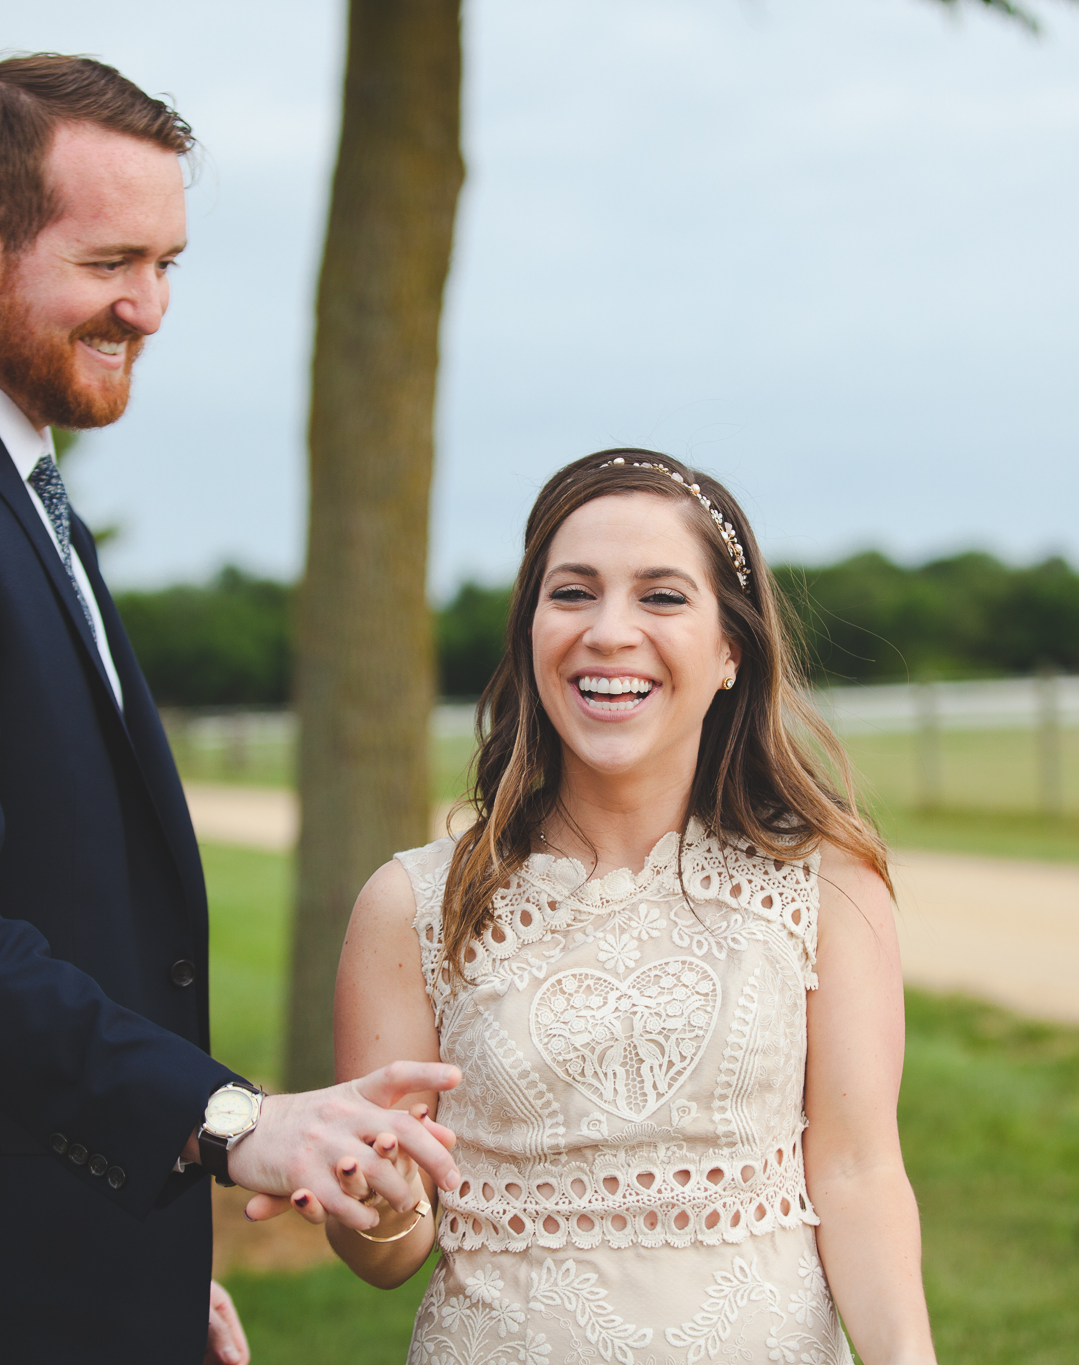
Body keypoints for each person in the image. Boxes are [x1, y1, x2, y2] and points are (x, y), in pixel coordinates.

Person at [0, 54, 459, 1365]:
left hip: (30, 1257)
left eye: (168, 264)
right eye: (115, 260)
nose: (152, 306)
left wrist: (142, 1261)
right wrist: (236, 1121)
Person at [280, 450, 937, 1363]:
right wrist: (375, 1208)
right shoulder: (413, 904)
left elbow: (860, 1172)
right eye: (573, 592)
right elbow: (389, 1250)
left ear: (730, 649)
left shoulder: (828, 885)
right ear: (530, 632)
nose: (609, 632)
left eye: (662, 597)